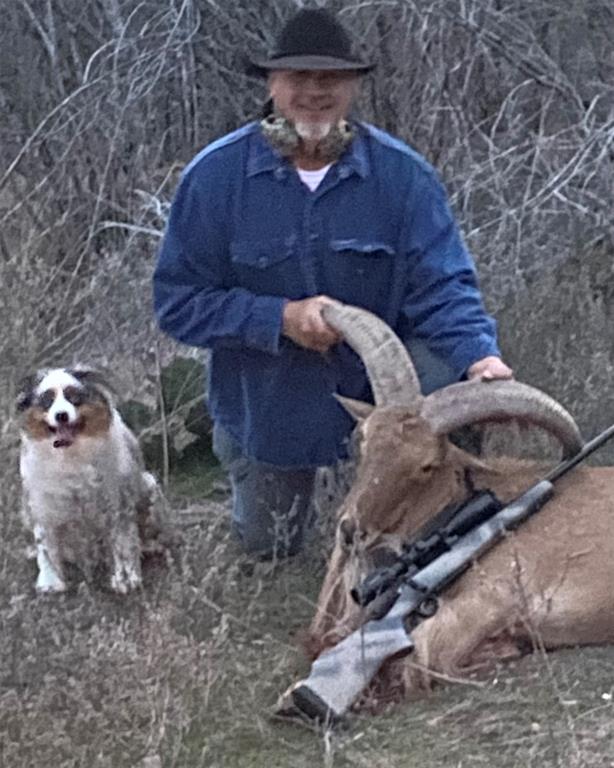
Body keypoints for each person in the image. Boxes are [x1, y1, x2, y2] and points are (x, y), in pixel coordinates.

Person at [153, 8, 513, 559]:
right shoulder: (215, 178)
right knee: (269, 551)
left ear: (353, 87)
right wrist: (280, 319)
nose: (314, 92)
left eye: (331, 80)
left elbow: (444, 286)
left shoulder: (403, 177)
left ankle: (439, 513)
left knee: (420, 540)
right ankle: (264, 484)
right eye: (299, 78)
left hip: (384, 402)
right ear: (272, 84)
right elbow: (178, 304)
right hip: (269, 409)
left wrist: (480, 359)